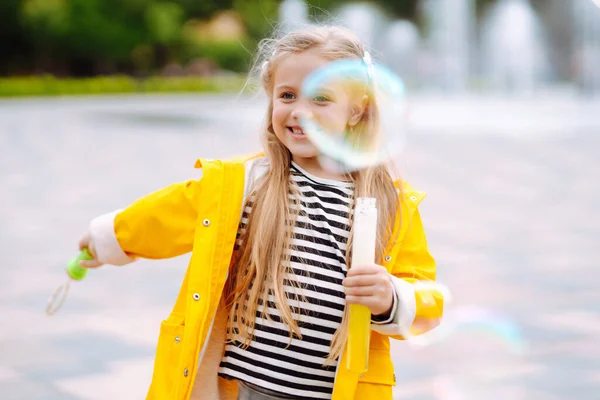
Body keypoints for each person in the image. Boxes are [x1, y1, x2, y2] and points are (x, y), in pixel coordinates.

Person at [78, 25, 444, 400]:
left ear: (356, 110)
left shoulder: (390, 204)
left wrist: (392, 298)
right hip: (241, 388)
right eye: (287, 95)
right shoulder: (247, 182)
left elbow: (427, 299)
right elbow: (169, 213)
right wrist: (110, 237)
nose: (299, 112)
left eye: (320, 98)